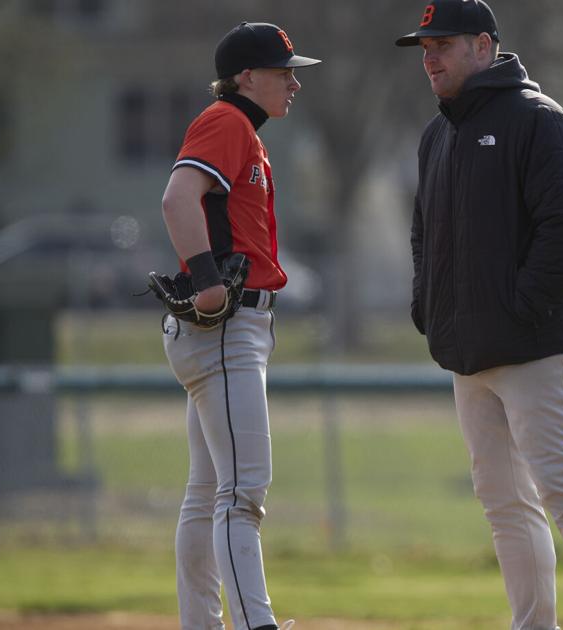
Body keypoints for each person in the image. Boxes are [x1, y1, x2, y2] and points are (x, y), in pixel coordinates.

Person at [396, 1, 563, 628]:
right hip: (469, 352)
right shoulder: (437, 134)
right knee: (503, 502)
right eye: (424, 48)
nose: (430, 59)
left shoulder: (539, 119)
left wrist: (518, 310)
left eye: (441, 45)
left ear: (483, 45)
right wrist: (432, 306)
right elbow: (423, 236)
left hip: (536, 347)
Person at [158, 21, 319, 630]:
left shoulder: (241, 129)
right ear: (247, 77)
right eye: (284, 72)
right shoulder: (226, 120)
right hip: (225, 327)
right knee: (243, 490)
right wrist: (203, 280)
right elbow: (178, 199)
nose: (294, 83)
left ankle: (203, 622)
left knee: (209, 493)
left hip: (227, 330)